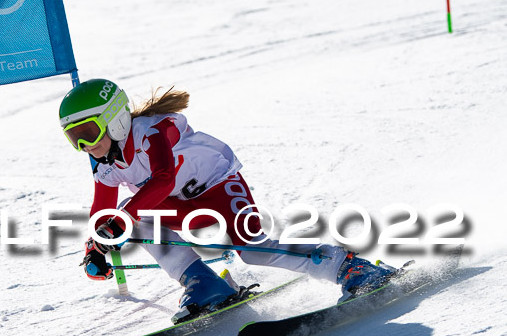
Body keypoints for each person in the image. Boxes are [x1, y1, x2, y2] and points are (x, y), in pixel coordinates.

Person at [59, 79, 394, 323]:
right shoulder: (105, 165)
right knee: (127, 216)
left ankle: (349, 267)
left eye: (87, 132)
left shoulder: (155, 130)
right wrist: (95, 243)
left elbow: (164, 178)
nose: (84, 146)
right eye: (74, 138)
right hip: (183, 207)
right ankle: (203, 283)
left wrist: (120, 220)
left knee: (253, 250)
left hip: (220, 188)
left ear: (114, 118)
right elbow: (102, 211)